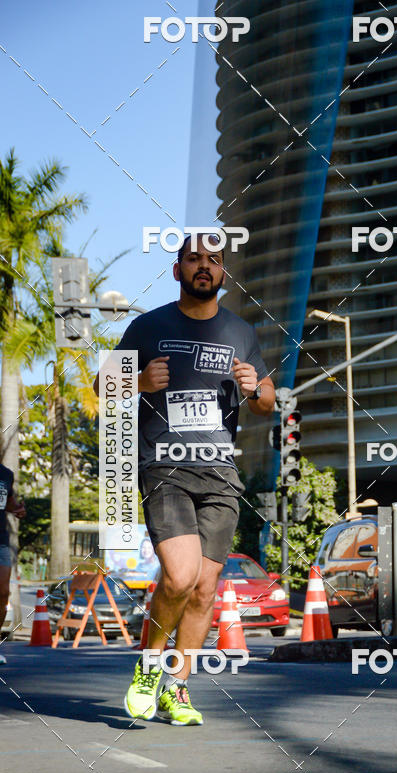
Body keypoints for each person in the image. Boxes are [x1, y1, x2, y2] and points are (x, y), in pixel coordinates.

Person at [94, 234, 275, 724]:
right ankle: (149, 667)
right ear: (177, 271)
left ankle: (177, 687)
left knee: (205, 586)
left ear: (222, 274)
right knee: (180, 574)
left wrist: (253, 386)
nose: (204, 267)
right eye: (194, 259)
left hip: (220, 475)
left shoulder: (240, 331)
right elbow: (101, 385)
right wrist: (137, 382)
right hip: (164, 467)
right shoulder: (148, 326)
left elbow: (267, 401)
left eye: (213, 261)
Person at [0, 464, 26, 664]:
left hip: (1, 540)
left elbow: (7, 503)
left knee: (3, 593)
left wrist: (17, 509)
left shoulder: (6, 474)